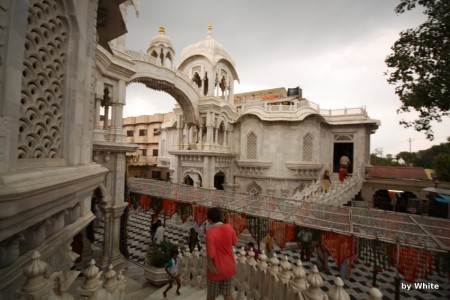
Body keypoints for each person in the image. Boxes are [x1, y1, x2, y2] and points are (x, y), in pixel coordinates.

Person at [205, 207, 238, 300]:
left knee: (211, 295)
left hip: (216, 270)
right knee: (227, 294)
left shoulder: (210, 233)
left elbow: (211, 255)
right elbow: (235, 242)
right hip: (229, 267)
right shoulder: (229, 227)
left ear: (210, 220)